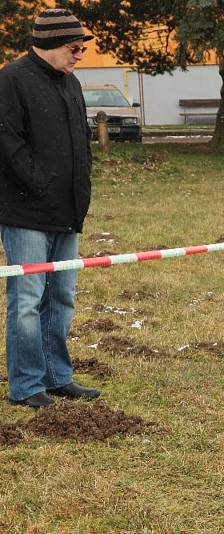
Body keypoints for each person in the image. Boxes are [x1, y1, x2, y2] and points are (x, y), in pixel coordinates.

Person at [0, 8, 98, 408]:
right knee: (26, 300)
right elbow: (7, 144)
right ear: (51, 44)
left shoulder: (71, 84)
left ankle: (58, 376)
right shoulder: (10, 80)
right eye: (75, 48)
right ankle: (26, 386)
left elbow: (81, 144)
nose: (79, 56)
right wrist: (39, 183)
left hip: (67, 213)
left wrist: (81, 189)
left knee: (61, 296)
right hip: (25, 214)